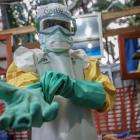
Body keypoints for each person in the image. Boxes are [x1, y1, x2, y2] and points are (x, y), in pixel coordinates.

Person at [0, 0, 115, 140]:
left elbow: (105, 98)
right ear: (39, 30)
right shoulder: (28, 61)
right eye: (49, 25)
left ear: (71, 29)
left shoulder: (85, 62)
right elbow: (24, 87)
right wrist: (32, 96)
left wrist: (74, 88)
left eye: (64, 25)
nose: (58, 30)